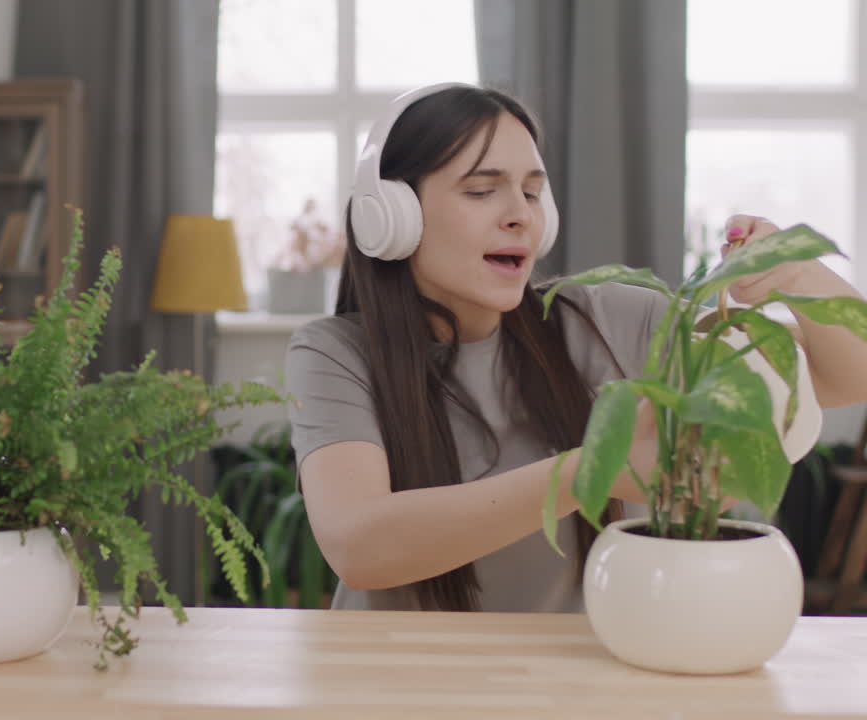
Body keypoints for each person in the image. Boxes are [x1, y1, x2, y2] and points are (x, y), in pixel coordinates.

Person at [284, 82, 867, 613]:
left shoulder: (613, 318)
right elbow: (360, 547)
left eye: (533, 192)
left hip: (580, 678)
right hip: (399, 681)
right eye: (483, 190)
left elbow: (845, 380)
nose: (520, 215)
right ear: (393, 217)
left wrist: (794, 271)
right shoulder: (334, 355)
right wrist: (592, 470)